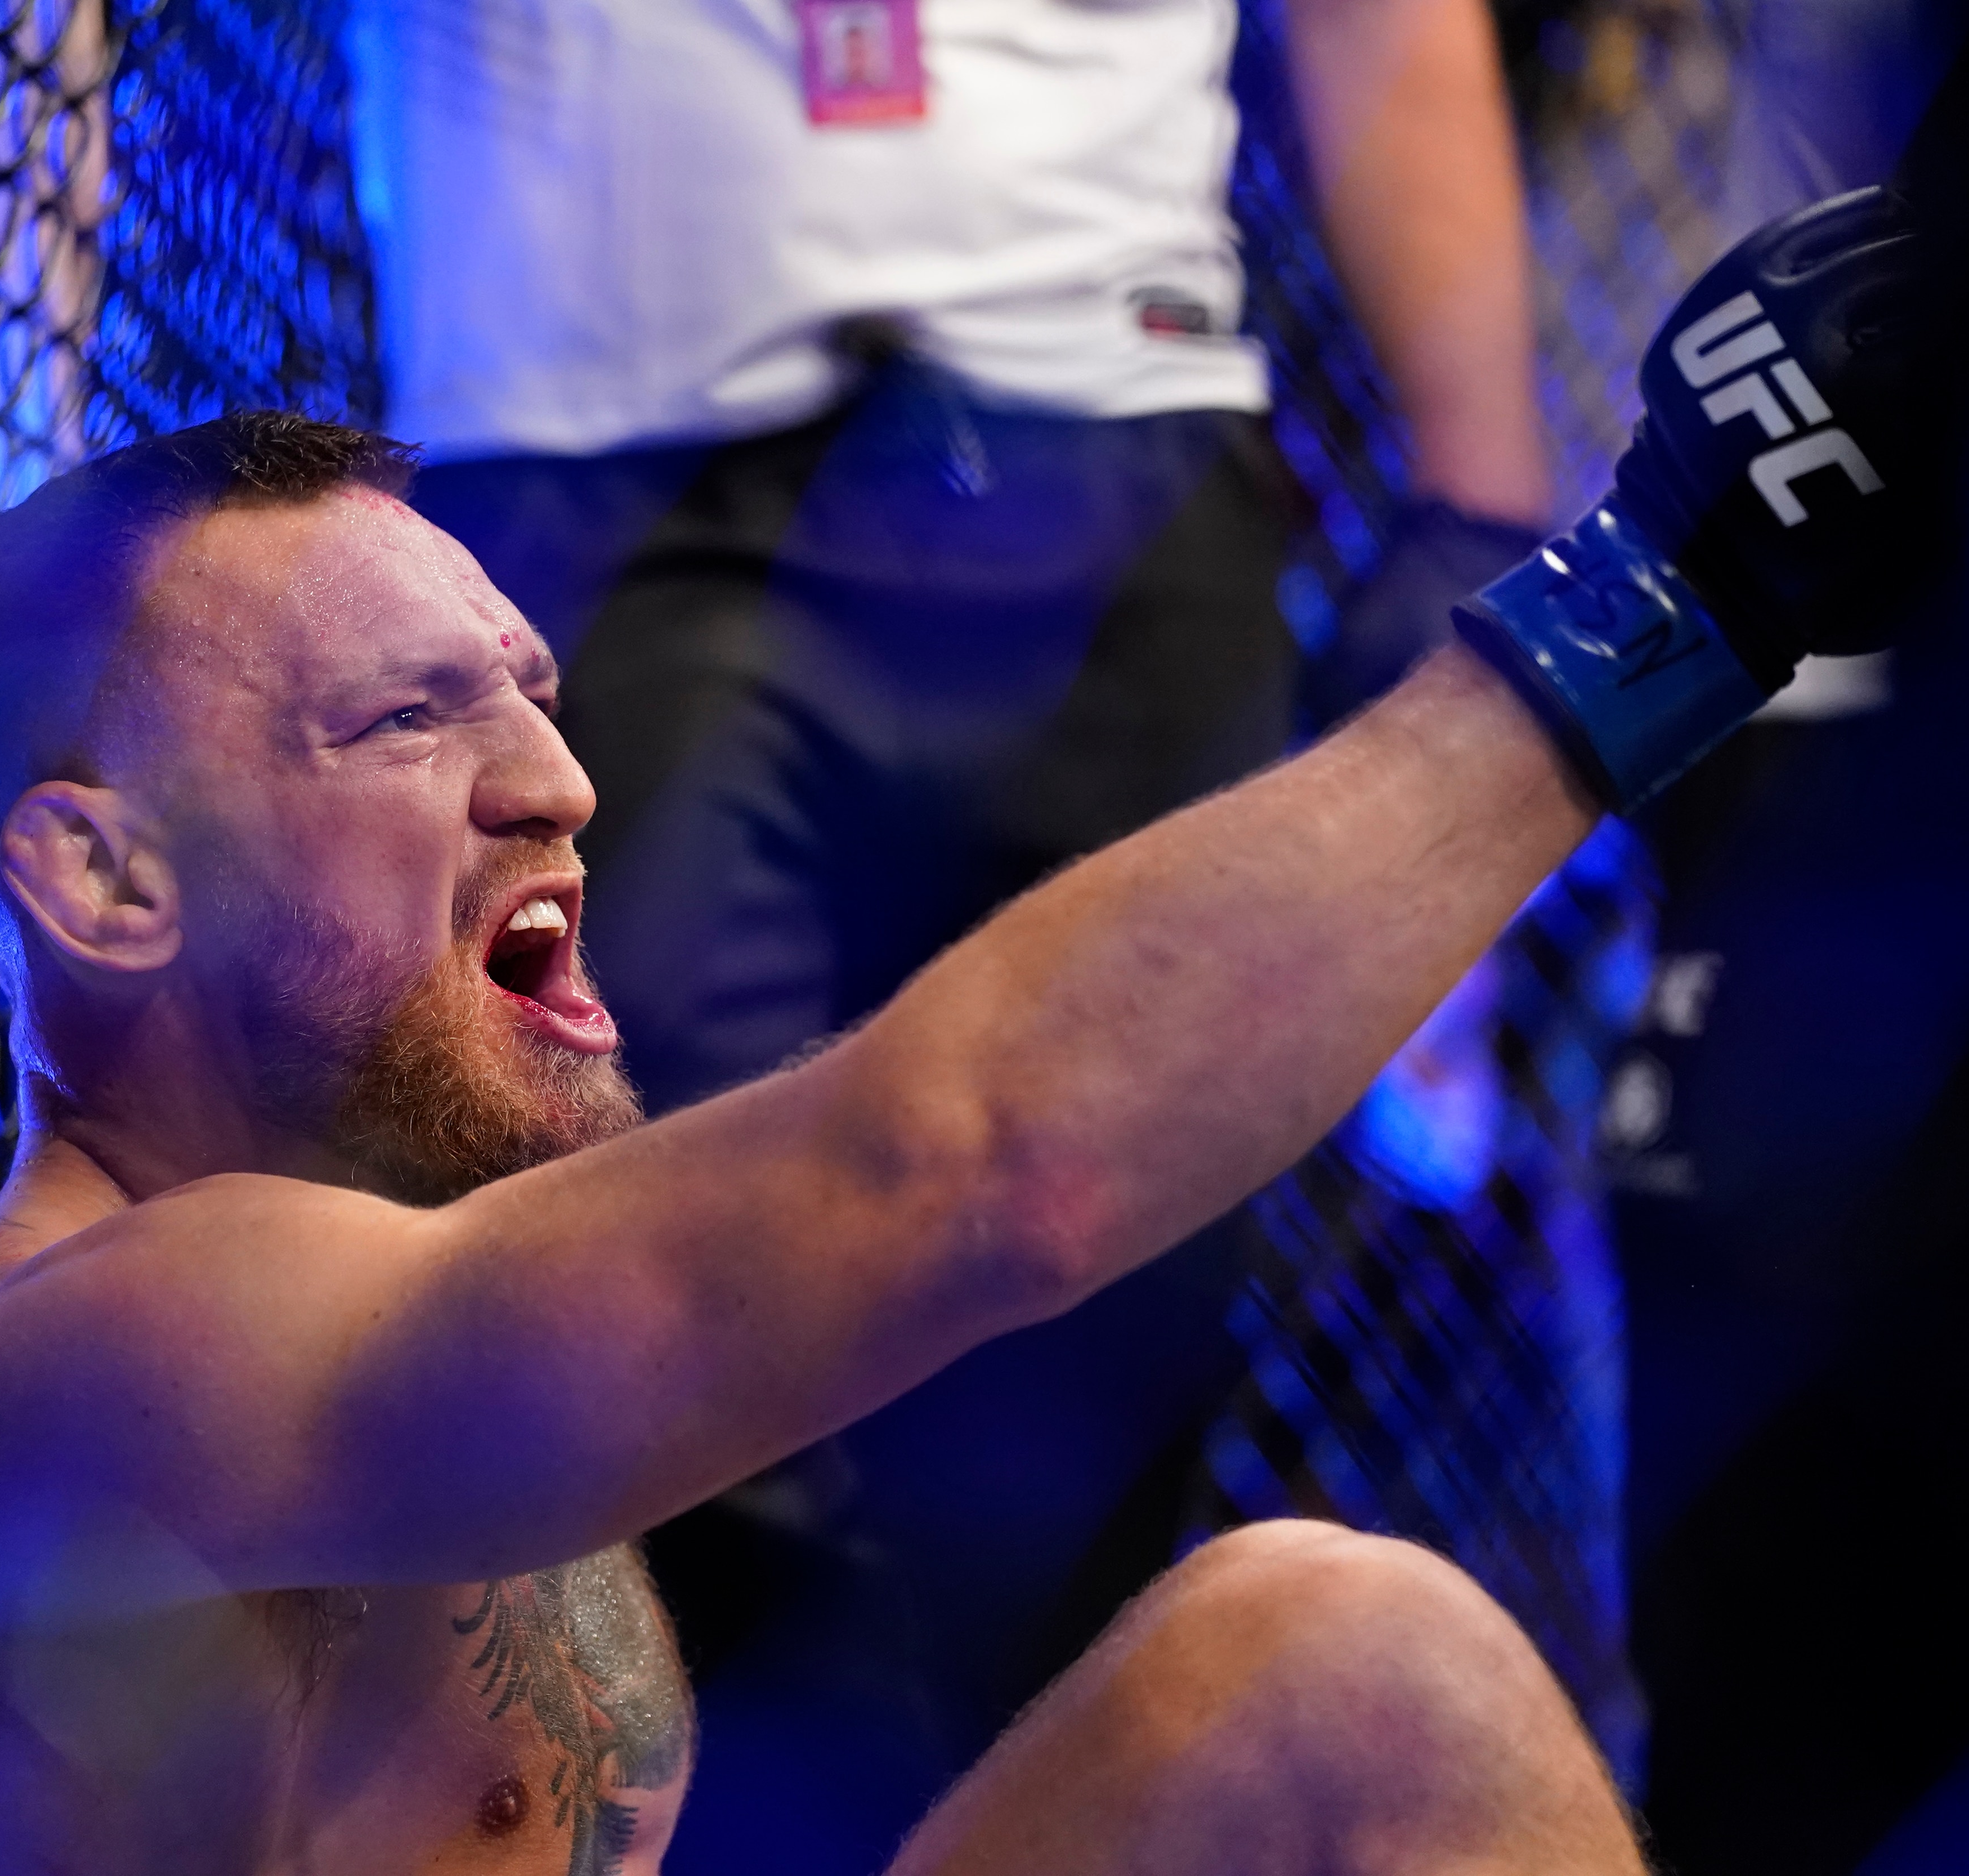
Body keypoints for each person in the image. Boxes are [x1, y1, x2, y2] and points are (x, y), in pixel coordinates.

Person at [0, 192, 1917, 1875]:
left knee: (1329, 1664)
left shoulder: (405, 1292)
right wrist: (1670, 584)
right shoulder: (68, 1381)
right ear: (109, 883)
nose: (557, 781)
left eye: (532, 691)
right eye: (404, 721)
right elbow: (970, 1167)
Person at [348, 7, 1574, 1828]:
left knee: (1100, 1369)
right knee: (673, 1324)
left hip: (1116, 439)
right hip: (603, 453)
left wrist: (1480, 507)